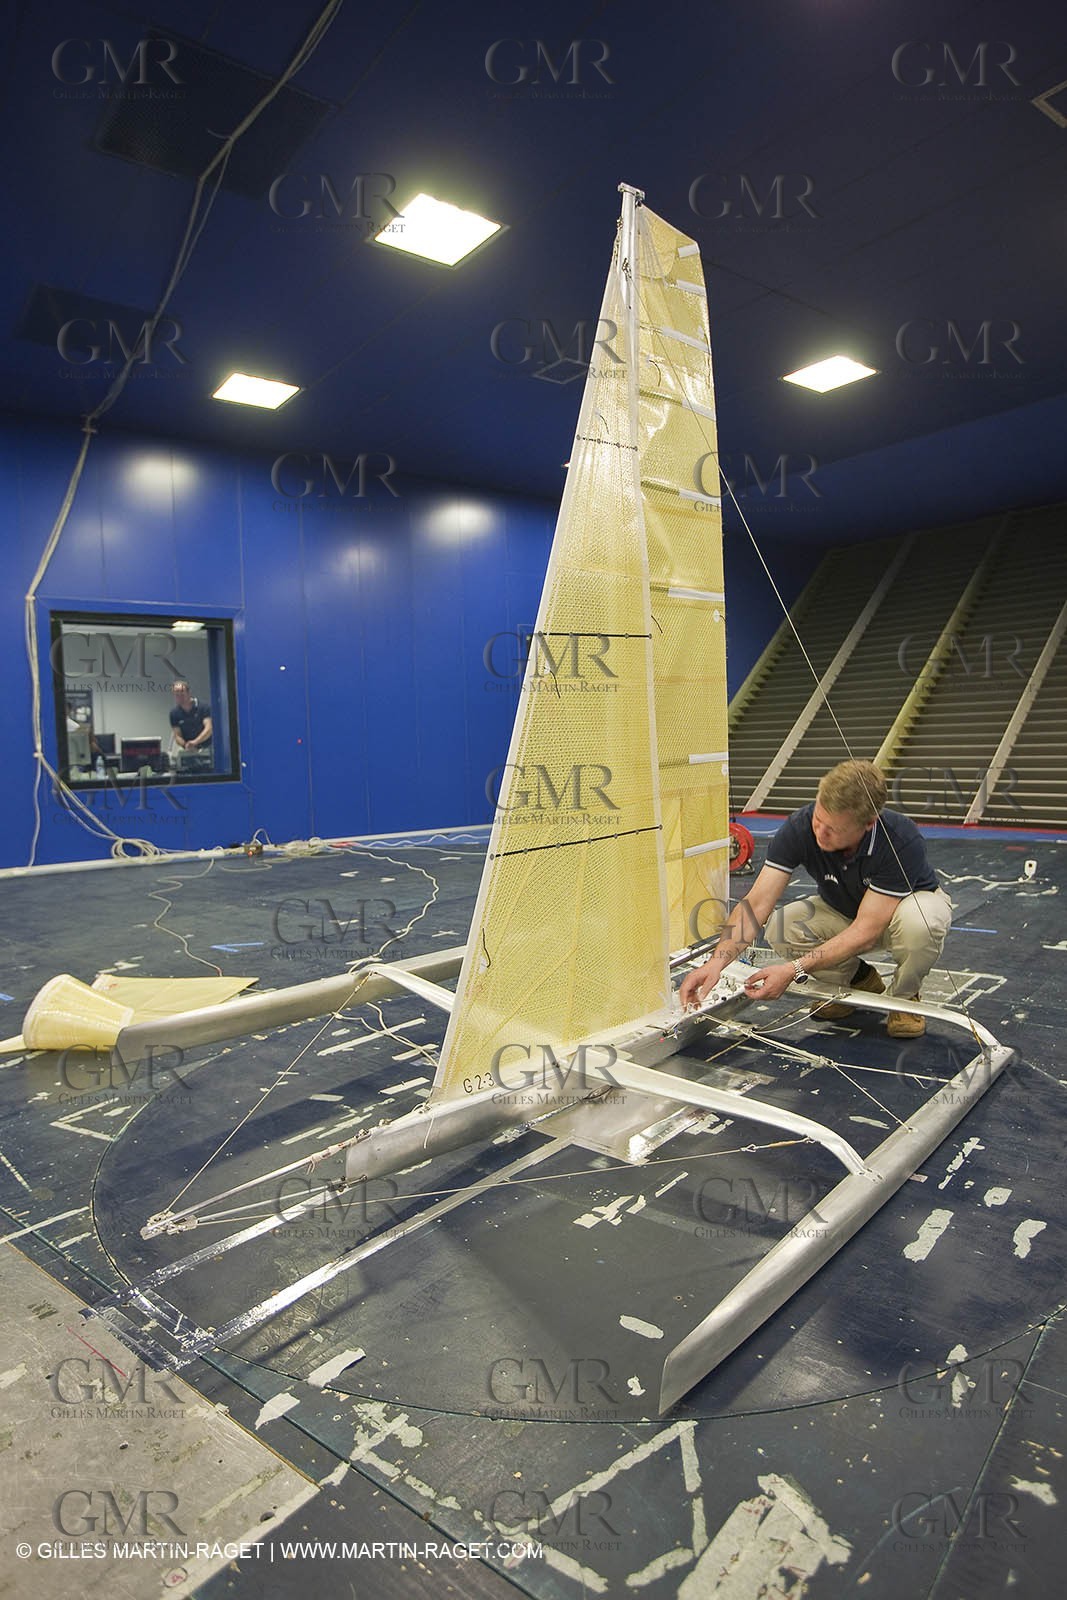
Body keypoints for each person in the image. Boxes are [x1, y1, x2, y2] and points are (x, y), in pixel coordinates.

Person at [679, 759, 953, 1039]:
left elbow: (866, 932)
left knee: (921, 924)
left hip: (900, 914)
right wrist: (715, 963)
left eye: (833, 829)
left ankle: (904, 998)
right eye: (818, 820)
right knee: (784, 925)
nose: (820, 833)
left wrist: (793, 969)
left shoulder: (900, 839)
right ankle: (857, 980)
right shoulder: (800, 826)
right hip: (846, 910)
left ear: (868, 824)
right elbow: (757, 903)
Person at [169, 680, 213, 759]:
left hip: (207, 749)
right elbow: (177, 735)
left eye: (182, 692)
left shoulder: (204, 708)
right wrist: (186, 745)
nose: (179, 695)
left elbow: (209, 729)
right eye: (176, 693)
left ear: (188, 692)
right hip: (188, 750)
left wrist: (195, 742)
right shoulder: (174, 713)